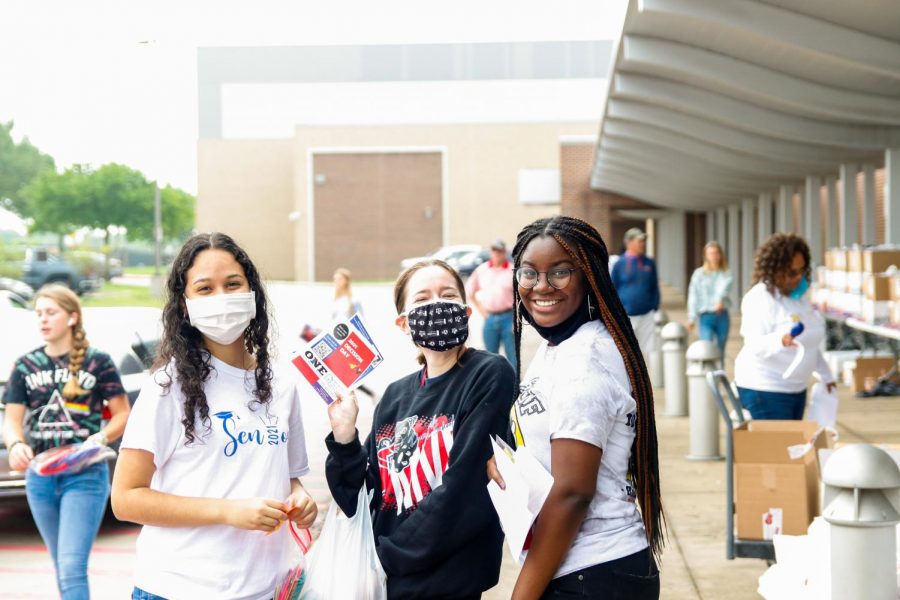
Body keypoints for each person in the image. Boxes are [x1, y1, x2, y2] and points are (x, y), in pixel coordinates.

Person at [110, 232, 317, 599]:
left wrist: (301, 499)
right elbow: (126, 498)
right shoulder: (166, 387)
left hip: (268, 589)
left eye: (233, 284)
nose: (222, 297)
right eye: (205, 288)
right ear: (185, 306)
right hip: (177, 588)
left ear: (252, 292)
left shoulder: (281, 385)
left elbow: (290, 478)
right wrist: (226, 512)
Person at [490, 215, 664, 600]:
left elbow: (572, 494)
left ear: (590, 277)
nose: (541, 287)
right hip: (587, 570)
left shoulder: (583, 363)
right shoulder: (561, 345)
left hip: (592, 575)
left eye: (560, 272)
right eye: (529, 273)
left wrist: (523, 595)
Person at [325, 258, 517, 599]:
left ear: (465, 311)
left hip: (445, 584)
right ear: (404, 323)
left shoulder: (488, 373)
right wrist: (344, 437)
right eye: (422, 299)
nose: (436, 305)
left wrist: (381, 559)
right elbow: (363, 498)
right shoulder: (395, 395)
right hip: (385, 586)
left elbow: (465, 489)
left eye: (446, 295)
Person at [2, 284, 131, 600]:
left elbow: (122, 414)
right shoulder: (25, 365)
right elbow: (12, 419)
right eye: (39, 314)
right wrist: (17, 444)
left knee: (72, 566)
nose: (43, 320)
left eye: (51, 313)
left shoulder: (97, 361)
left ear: (72, 317)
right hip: (40, 477)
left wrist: (99, 438)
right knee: (62, 566)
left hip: (85, 475)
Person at [734, 233, 836, 420]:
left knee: (790, 446)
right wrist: (780, 339)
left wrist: (826, 376)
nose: (797, 278)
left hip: (796, 388)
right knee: (777, 448)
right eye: (791, 272)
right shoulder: (759, 298)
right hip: (765, 387)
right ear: (774, 269)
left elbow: (810, 345)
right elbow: (754, 345)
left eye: (802, 271)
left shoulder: (799, 300)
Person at [610, 227, 660, 360]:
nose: (642, 244)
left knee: (646, 353)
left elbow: (654, 286)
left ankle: (644, 379)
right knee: (628, 351)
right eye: (639, 241)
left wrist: (654, 306)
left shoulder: (649, 263)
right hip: (626, 315)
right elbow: (612, 289)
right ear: (629, 242)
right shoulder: (619, 264)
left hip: (646, 315)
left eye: (643, 241)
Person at [465, 239, 516, 366]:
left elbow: (522, 295)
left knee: (513, 355)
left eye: (499, 250)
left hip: (509, 318)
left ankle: (515, 384)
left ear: (504, 252)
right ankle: (494, 384)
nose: (496, 253)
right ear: (491, 252)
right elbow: (470, 291)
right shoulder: (481, 270)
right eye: (494, 250)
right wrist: (482, 311)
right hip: (489, 319)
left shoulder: (512, 271)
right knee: (490, 357)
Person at [686, 241, 733, 360]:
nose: (714, 256)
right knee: (707, 347)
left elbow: (724, 289)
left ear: (720, 255)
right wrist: (692, 317)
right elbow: (693, 295)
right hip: (705, 316)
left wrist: (719, 301)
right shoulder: (699, 274)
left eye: (716, 253)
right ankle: (708, 376)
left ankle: (719, 374)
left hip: (722, 315)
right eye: (711, 253)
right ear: (706, 256)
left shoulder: (726, 272)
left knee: (720, 349)